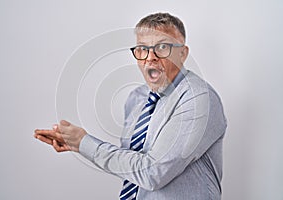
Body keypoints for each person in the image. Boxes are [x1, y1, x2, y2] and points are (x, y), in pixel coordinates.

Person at [34, 12, 227, 200]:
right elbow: (131, 168)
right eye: (142, 49)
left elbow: (152, 173)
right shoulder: (136, 98)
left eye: (162, 47)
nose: (150, 57)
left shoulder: (199, 99)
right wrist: (80, 146)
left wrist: (85, 143)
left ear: (182, 54)